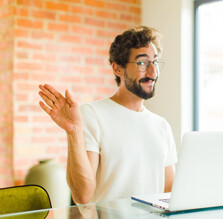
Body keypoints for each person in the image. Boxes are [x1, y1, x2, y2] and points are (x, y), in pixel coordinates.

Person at [38, 26, 177, 204]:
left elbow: (170, 192)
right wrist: (73, 131)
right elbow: (83, 196)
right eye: (142, 63)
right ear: (118, 69)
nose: (153, 73)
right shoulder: (92, 115)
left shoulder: (162, 126)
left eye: (155, 62)